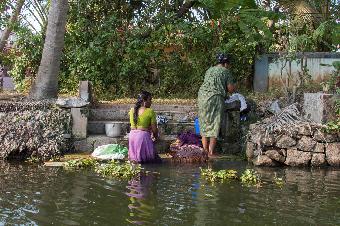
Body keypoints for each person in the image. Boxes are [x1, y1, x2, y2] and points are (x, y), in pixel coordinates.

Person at [197, 53, 235, 156]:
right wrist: (234, 87)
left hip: (202, 97)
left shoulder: (209, 70)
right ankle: (211, 152)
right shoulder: (226, 71)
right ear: (226, 63)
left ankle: (204, 150)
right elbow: (230, 89)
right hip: (215, 98)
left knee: (204, 123)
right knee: (215, 123)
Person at [128, 91, 160, 163]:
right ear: (143, 101)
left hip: (132, 136)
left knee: (134, 161)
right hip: (142, 137)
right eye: (150, 100)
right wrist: (156, 138)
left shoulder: (132, 110)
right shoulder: (150, 111)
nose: (151, 102)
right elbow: (155, 130)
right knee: (147, 162)